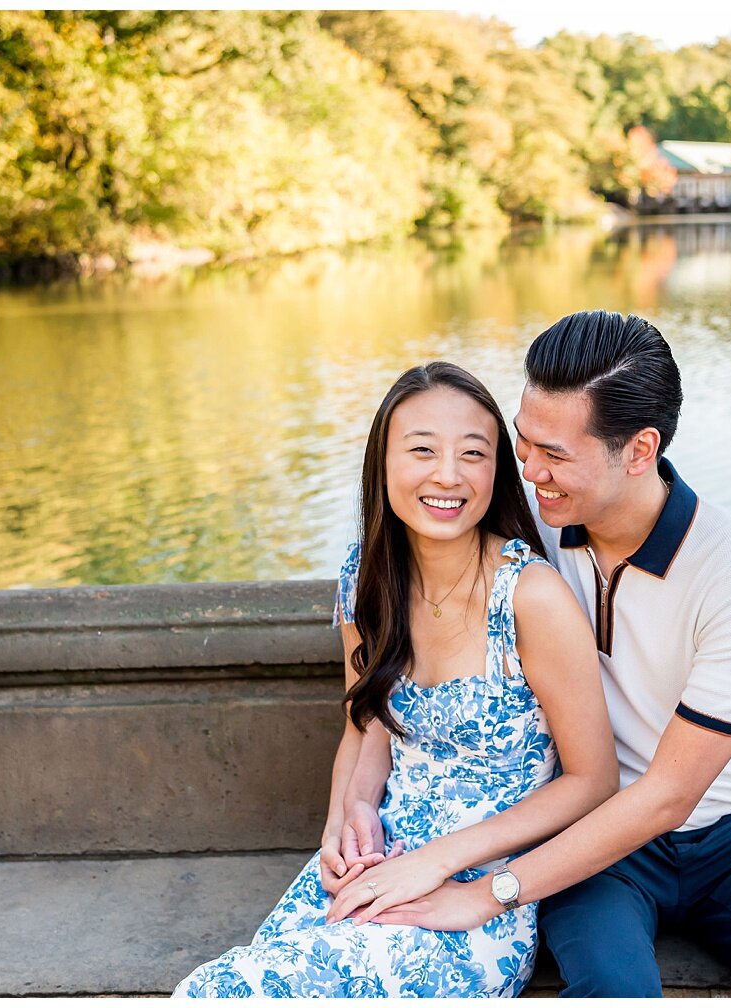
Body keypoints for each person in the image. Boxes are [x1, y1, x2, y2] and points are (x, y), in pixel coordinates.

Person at [333, 311, 731, 997]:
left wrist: (486, 894)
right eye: (523, 441)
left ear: (638, 449)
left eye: (556, 454)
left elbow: (667, 795)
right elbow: (402, 617)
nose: (530, 470)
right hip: (589, 842)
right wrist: (358, 808)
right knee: (612, 988)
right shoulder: (528, 525)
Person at [173, 361, 617, 998]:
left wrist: (437, 865)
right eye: (422, 451)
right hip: (379, 861)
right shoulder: (368, 578)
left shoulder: (530, 597)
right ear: (382, 462)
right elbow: (365, 723)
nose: (448, 475)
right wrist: (344, 817)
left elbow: (593, 781)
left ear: (498, 470)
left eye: (473, 453)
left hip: (474, 891)